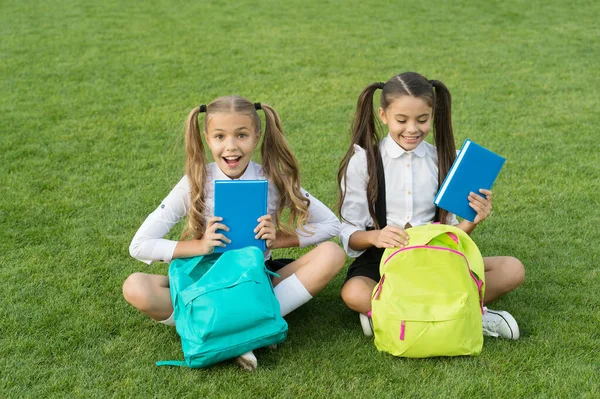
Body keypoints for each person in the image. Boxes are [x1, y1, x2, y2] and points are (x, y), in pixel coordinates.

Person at [123, 96, 346, 371]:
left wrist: (280, 239)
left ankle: (228, 331)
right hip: (203, 284)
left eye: (241, 135)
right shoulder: (195, 182)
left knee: (332, 253)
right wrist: (201, 246)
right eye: (220, 136)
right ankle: (244, 329)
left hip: (255, 280)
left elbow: (332, 225)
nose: (231, 146)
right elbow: (139, 245)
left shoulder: (273, 179)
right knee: (135, 287)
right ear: (207, 138)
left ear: (256, 137)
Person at [337, 72, 525, 340]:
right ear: (383, 115)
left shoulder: (447, 160)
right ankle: (464, 311)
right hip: (382, 260)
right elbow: (349, 234)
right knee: (354, 292)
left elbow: (453, 236)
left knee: (512, 269)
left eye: (422, 120)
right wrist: (377, 236)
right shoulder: (363, 162)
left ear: (433, 115)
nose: (412, 129)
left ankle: (393, 313)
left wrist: (472, 221)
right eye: (401, 120)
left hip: (435, 256)